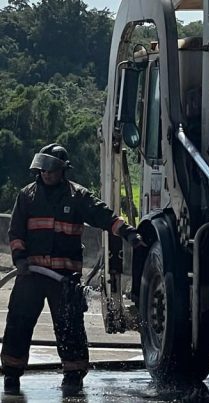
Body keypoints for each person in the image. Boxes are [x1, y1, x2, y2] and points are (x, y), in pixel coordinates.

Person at [3, 144, 144, 396]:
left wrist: (127, 233)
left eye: (51, 169)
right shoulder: (27, 196)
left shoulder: (77, 197)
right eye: (43, 168)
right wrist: (20, 258)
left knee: (70, 327)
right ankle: (11, 376)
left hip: (64, 280)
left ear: (62, 170)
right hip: (31, 276)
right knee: (18, 323)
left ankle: (73, 376)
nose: (46, 173)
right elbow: (15, 232)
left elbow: (103, 215)